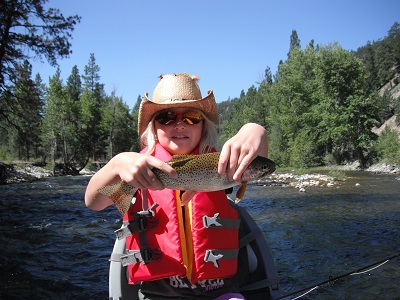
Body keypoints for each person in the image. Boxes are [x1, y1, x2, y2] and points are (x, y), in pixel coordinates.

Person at [85, 73, 269, 300]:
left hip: (221, 291)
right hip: (159, 294)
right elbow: (93, 202)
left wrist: (256, 130)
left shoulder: (225, 162)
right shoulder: (137, 169)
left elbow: (259, 158)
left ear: (204, 125)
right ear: (153, 126)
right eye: (167, 117)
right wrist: (115, 164)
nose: (179, 123)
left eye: (191, 117)